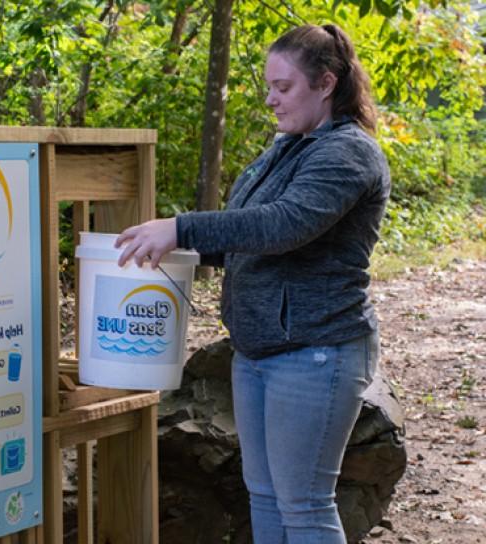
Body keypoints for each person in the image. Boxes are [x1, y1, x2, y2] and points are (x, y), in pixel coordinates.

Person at [115, 24, 390, 543]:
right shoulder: (288, 147)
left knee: (305, 505)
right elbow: (247, 235)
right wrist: (173, 247)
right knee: (265, 498)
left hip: (316, 353)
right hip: (260, 352)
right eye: (269, 86)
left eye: (282, 88)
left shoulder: (348, 153)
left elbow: (282, 226)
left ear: (326, 83)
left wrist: (181, 227)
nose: (270, 99)